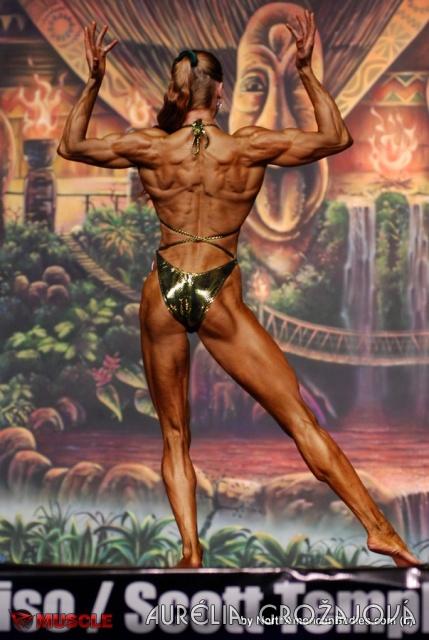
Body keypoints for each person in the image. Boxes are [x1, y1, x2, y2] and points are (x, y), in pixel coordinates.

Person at [58, 12, 421, 569]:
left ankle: (190, 552)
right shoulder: (245, 148)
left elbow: (71, 144)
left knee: (174, 435)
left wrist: (93, 80)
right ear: (221, 94)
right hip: (217, 292)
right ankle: (380, 531)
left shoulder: (152, 147)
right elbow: (336, 137)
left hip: (164, 290)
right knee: (300, 420)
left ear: (177, 94)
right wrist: (305, 72)